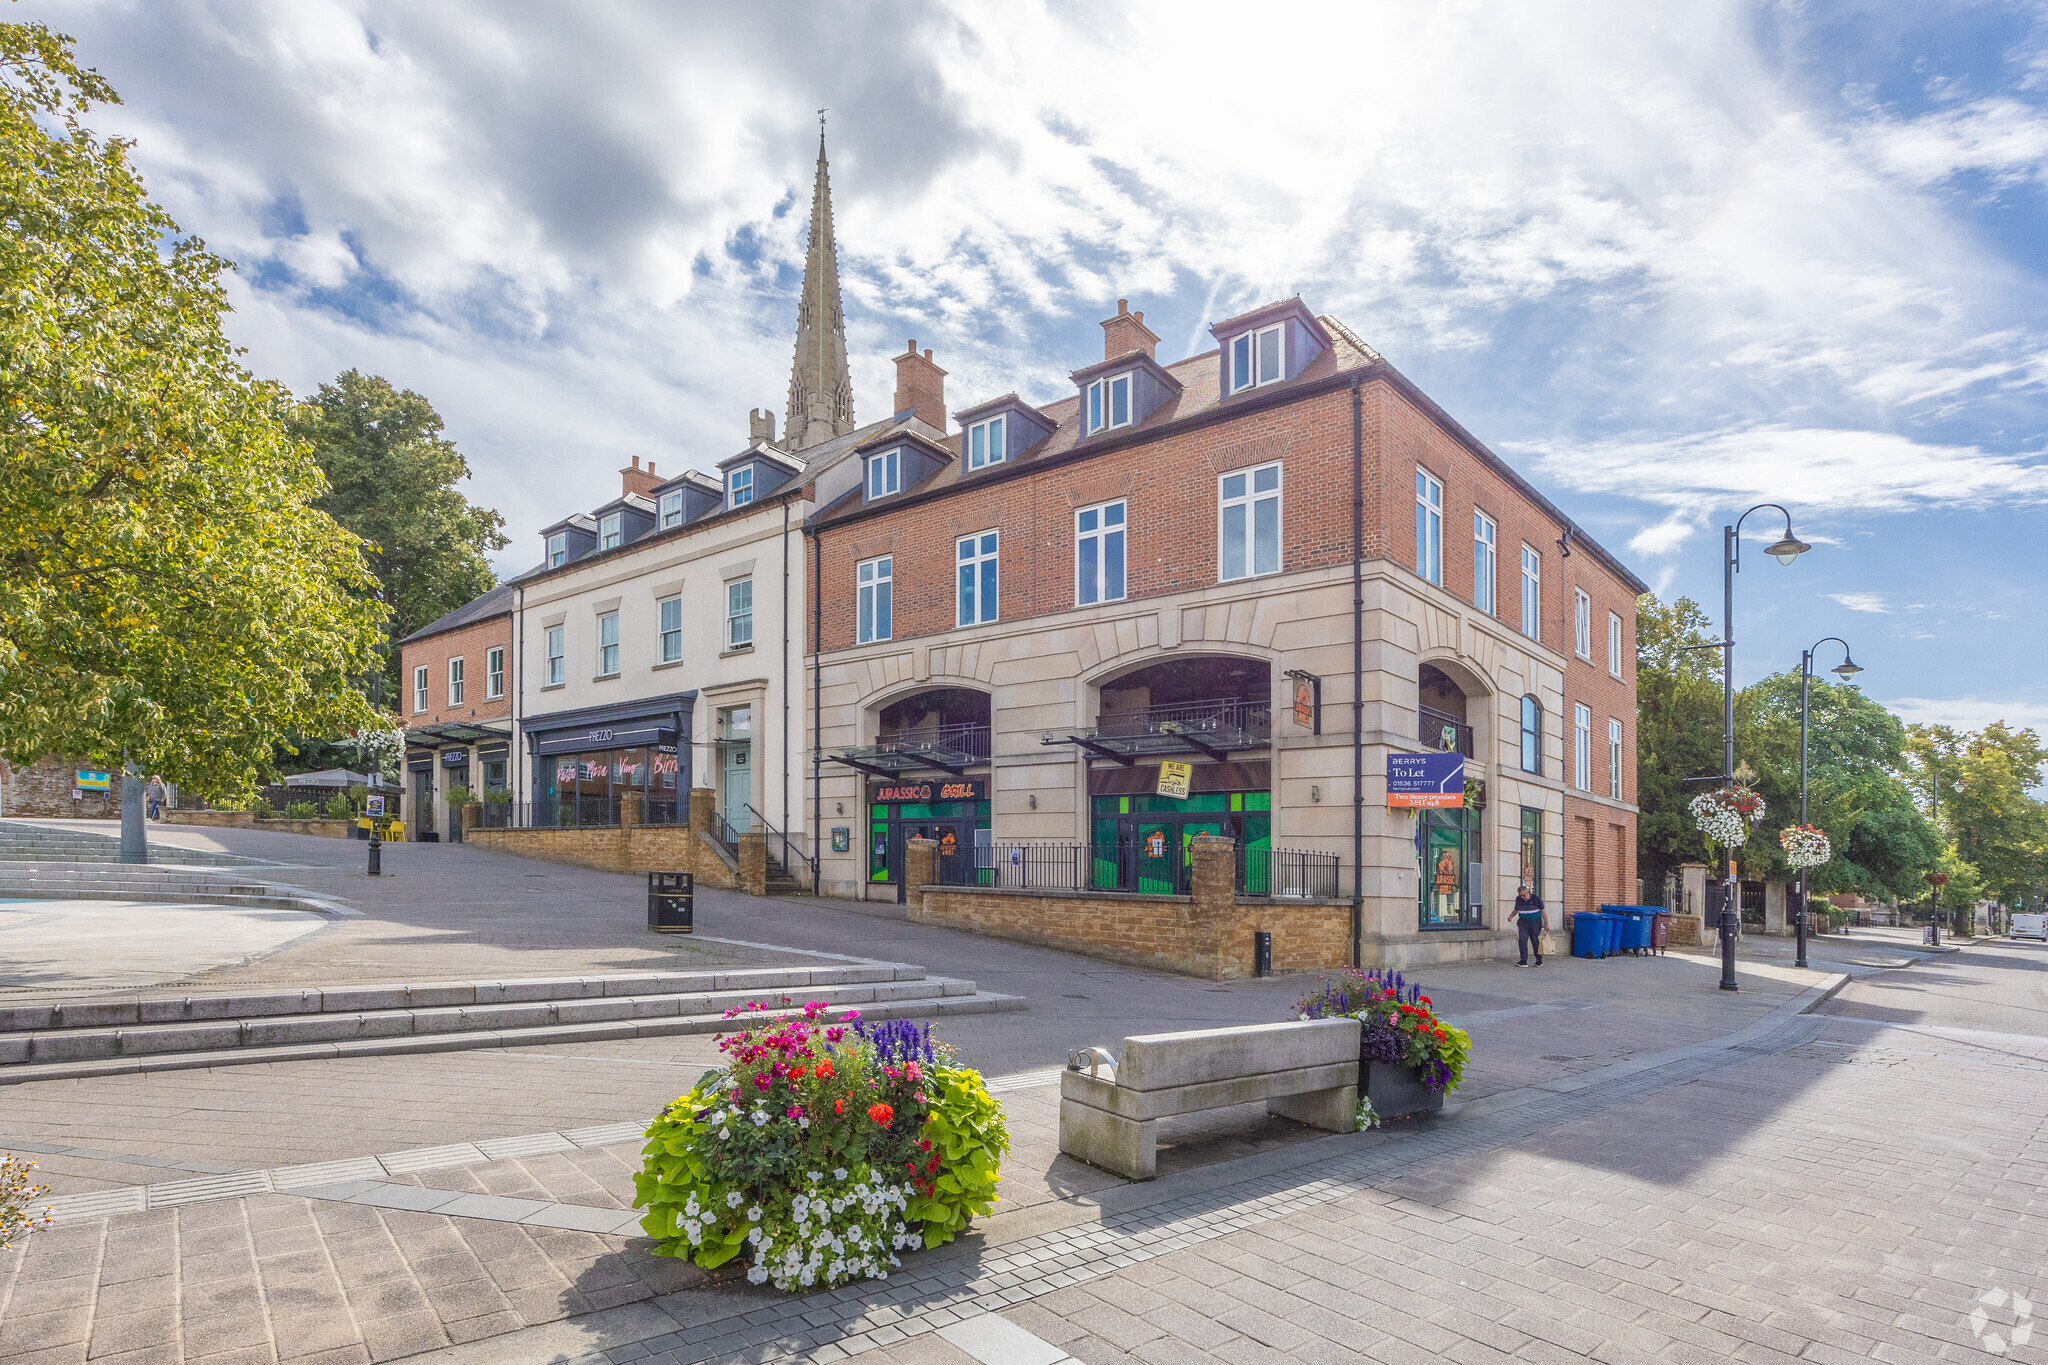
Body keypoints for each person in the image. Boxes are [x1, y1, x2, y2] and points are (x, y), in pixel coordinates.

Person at [1514, 881, 1546, 966]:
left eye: (1524, 895)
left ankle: (1539, 960)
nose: (1522, 897)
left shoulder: (1536, 898)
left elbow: (1543, 911)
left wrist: (1546, 924)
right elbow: (1516, 909)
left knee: (1535, 941)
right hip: (1523, 922)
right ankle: (1523, 960)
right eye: (1520, 895)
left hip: (1535, 922)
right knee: (1522, 940)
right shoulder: (1518, 899)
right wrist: (1511, 916)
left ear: (1528, 892)